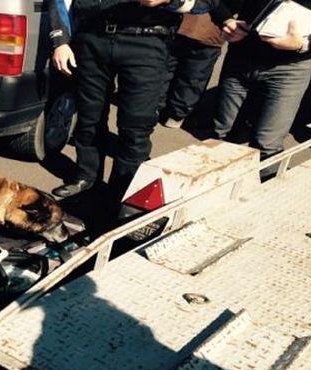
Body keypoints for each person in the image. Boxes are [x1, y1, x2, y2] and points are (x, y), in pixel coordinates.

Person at [48, 0, 218, 227]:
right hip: (92, 37)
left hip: (147, 42)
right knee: (89, 119)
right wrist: (60, 40)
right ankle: (86, 181)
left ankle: (122, 193)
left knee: (135, 127)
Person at [211, 0, 311, 179]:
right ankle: (214, 188)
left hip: (290, 69)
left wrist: (302, 45)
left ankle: (267, 196)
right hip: (240, 58)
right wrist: (226, 20)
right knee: (222, 131)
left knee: (267, 144)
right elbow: (217, 3)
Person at [158, 6, 229, 129]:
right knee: (186, 74)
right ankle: (166, 109)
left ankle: (175, 112)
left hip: (207, 30)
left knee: (192, 75)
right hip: (183, 25)